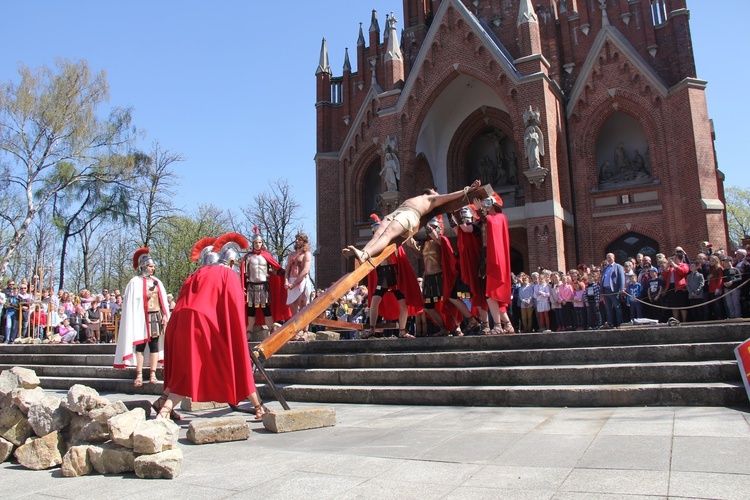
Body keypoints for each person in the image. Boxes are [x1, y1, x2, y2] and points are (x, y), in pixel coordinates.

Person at [154, 233, 267, 421]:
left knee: (183, 366)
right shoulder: (227, 274)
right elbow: (233, 308)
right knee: (208, 367)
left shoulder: (196, 274)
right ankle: (165, 411)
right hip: (203, 324)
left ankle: (162, 401)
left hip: (178, 322)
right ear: (231, 262)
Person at [343, 179, 482, 264]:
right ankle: (364, 252)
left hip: (410, 215)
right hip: (397, 213)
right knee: (378, 234)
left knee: (387, 234)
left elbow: (450, 196)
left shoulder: (432, 200)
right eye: (435, 190)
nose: (437, 192)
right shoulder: (423, 196)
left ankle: (365, 254)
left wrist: (468, 189)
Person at [114, 247, 170, 387]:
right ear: (144, 266)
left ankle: (153, 373)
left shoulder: (157, 282)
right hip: (140, 318)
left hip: (155, 316)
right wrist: (144, 296)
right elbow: (132, 302)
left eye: (153, 266)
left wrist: (164, 315)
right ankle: (138, 374)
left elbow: (162, 300)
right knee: (140, 345)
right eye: (151, 266)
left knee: (154, 345)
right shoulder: (134, 282)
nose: (153, 269)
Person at [364, 214, 422, 339]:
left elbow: (398, 252)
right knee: (374, 301)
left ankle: (402, 331)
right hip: (383, 276)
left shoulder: (392, 243)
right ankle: (372, 329)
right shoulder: (373, 246)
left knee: (403, 304)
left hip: (394, 275)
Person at [240, 227, 289, 336]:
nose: (258, 244)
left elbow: (273, 270)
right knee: (250, 310)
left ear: (262, 243)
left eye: (259, 242)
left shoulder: (267, 256)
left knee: (266, 309)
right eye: (256, 242)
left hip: (264, 286)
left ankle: (271, 330)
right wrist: (242, 287)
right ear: (253, 243)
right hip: (251, 286)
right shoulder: (247, 258)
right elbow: (243, 274)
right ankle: (249, 331)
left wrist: (281, 272)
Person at [476, 192, 514, 334]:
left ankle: (498, 325)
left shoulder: (499, 218)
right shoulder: (488, 218)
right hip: (486, 256)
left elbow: (490, 222)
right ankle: (507, 325)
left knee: (491, 294)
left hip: (494, 257)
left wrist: (480, 211)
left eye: (487, 203)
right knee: (489, 295)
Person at [285, 232, 313, 340]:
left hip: (301, 281)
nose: (297, 241)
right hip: (292, 280)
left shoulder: (307, 254)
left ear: (304, 242)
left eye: (300, 239)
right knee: (293, 306)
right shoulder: (291, 255)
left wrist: (295, 282)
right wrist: (286, 281)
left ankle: (305, 332)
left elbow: (305, 270)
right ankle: (295, 331)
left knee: (303, 306)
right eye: (296, 239)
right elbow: (287, 269)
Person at [600, 253, 626, 328]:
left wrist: (621, 288)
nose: (608, 259)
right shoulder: (605, 268)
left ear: (614, 258)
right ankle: (610, 324)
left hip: (614, 290)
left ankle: (619, 323)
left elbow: (621, 278)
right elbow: (602, 280)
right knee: (608, 309)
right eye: (607, 257)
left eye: (610, 257)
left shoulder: (618, 267)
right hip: (606, 291)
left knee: (617, 307)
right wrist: (602, 291)